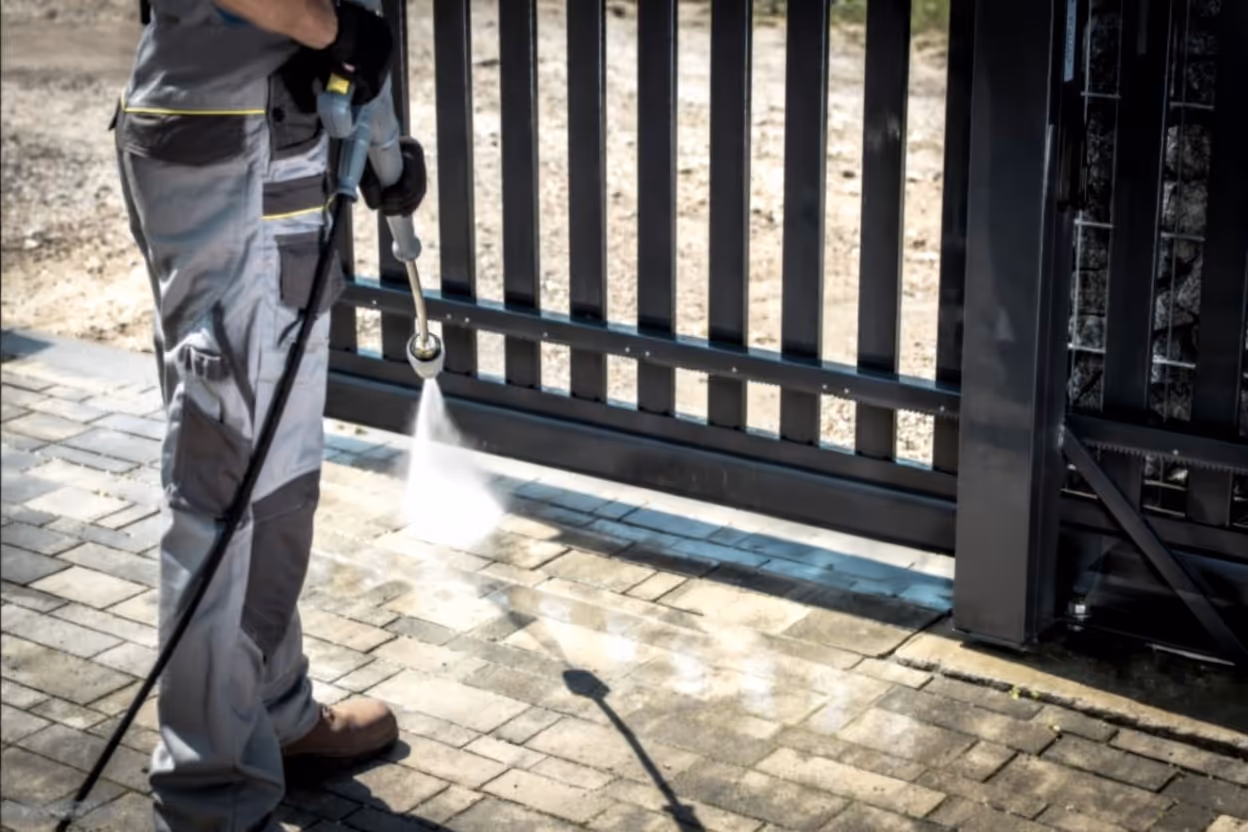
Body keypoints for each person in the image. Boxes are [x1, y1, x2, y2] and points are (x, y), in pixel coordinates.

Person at [112, 1, 425, 828]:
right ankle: (210, 788)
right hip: (241, 151)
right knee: (224, 481)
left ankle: (272, 709)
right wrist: (335, 31)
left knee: (269, 468)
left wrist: (381, 142)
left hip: (228, 134)